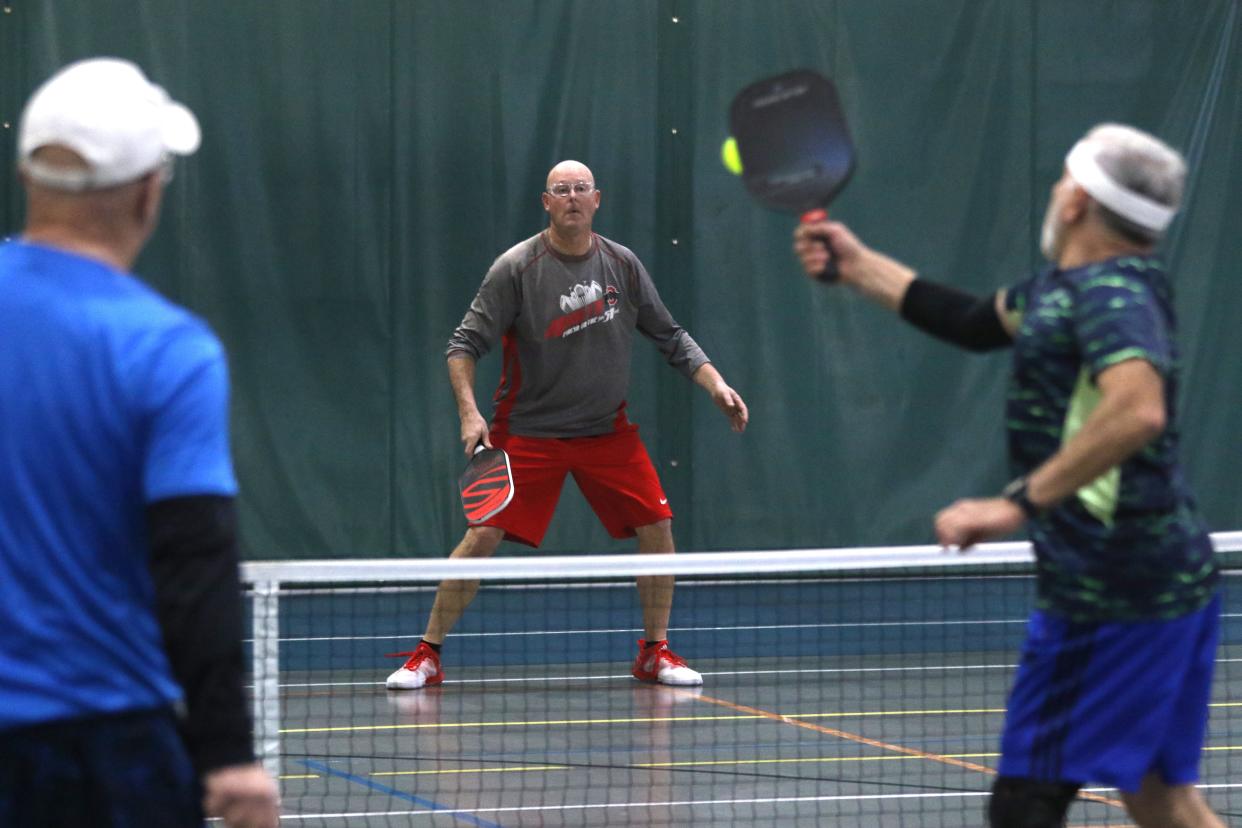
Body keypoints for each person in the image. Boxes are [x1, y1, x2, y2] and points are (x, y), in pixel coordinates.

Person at [794, 124, 1222, 828]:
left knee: (1025, 803)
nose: (1055, 191)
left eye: (1061, 179)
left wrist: (1016, 504)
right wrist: (857, 264)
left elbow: (1139, 409)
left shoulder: (1110, 295)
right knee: (1158, 794)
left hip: (1108, 591)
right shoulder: (1077, 288)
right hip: (1167, 580)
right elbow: (970, 321)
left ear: (1078, 200)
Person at [0, 59, 279, 828]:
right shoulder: (168, 351)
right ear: (148, 192)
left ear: (30, 176)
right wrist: (228, 756)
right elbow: (194, 561)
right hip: (109, 754)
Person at [386, 160, 749, 691]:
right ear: (547, 201)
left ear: (597, 200)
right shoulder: (516, 267)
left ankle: (654, 652)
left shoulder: (622, 266)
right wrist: (469, 412)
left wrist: (715, 384)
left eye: (582, 189)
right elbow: (463, 344)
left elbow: (670, 335)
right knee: (483, 534)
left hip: (606, 431)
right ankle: (427, 654)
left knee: (658, 528)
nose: (573, 197)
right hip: (529, 432)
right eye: (563, 190)